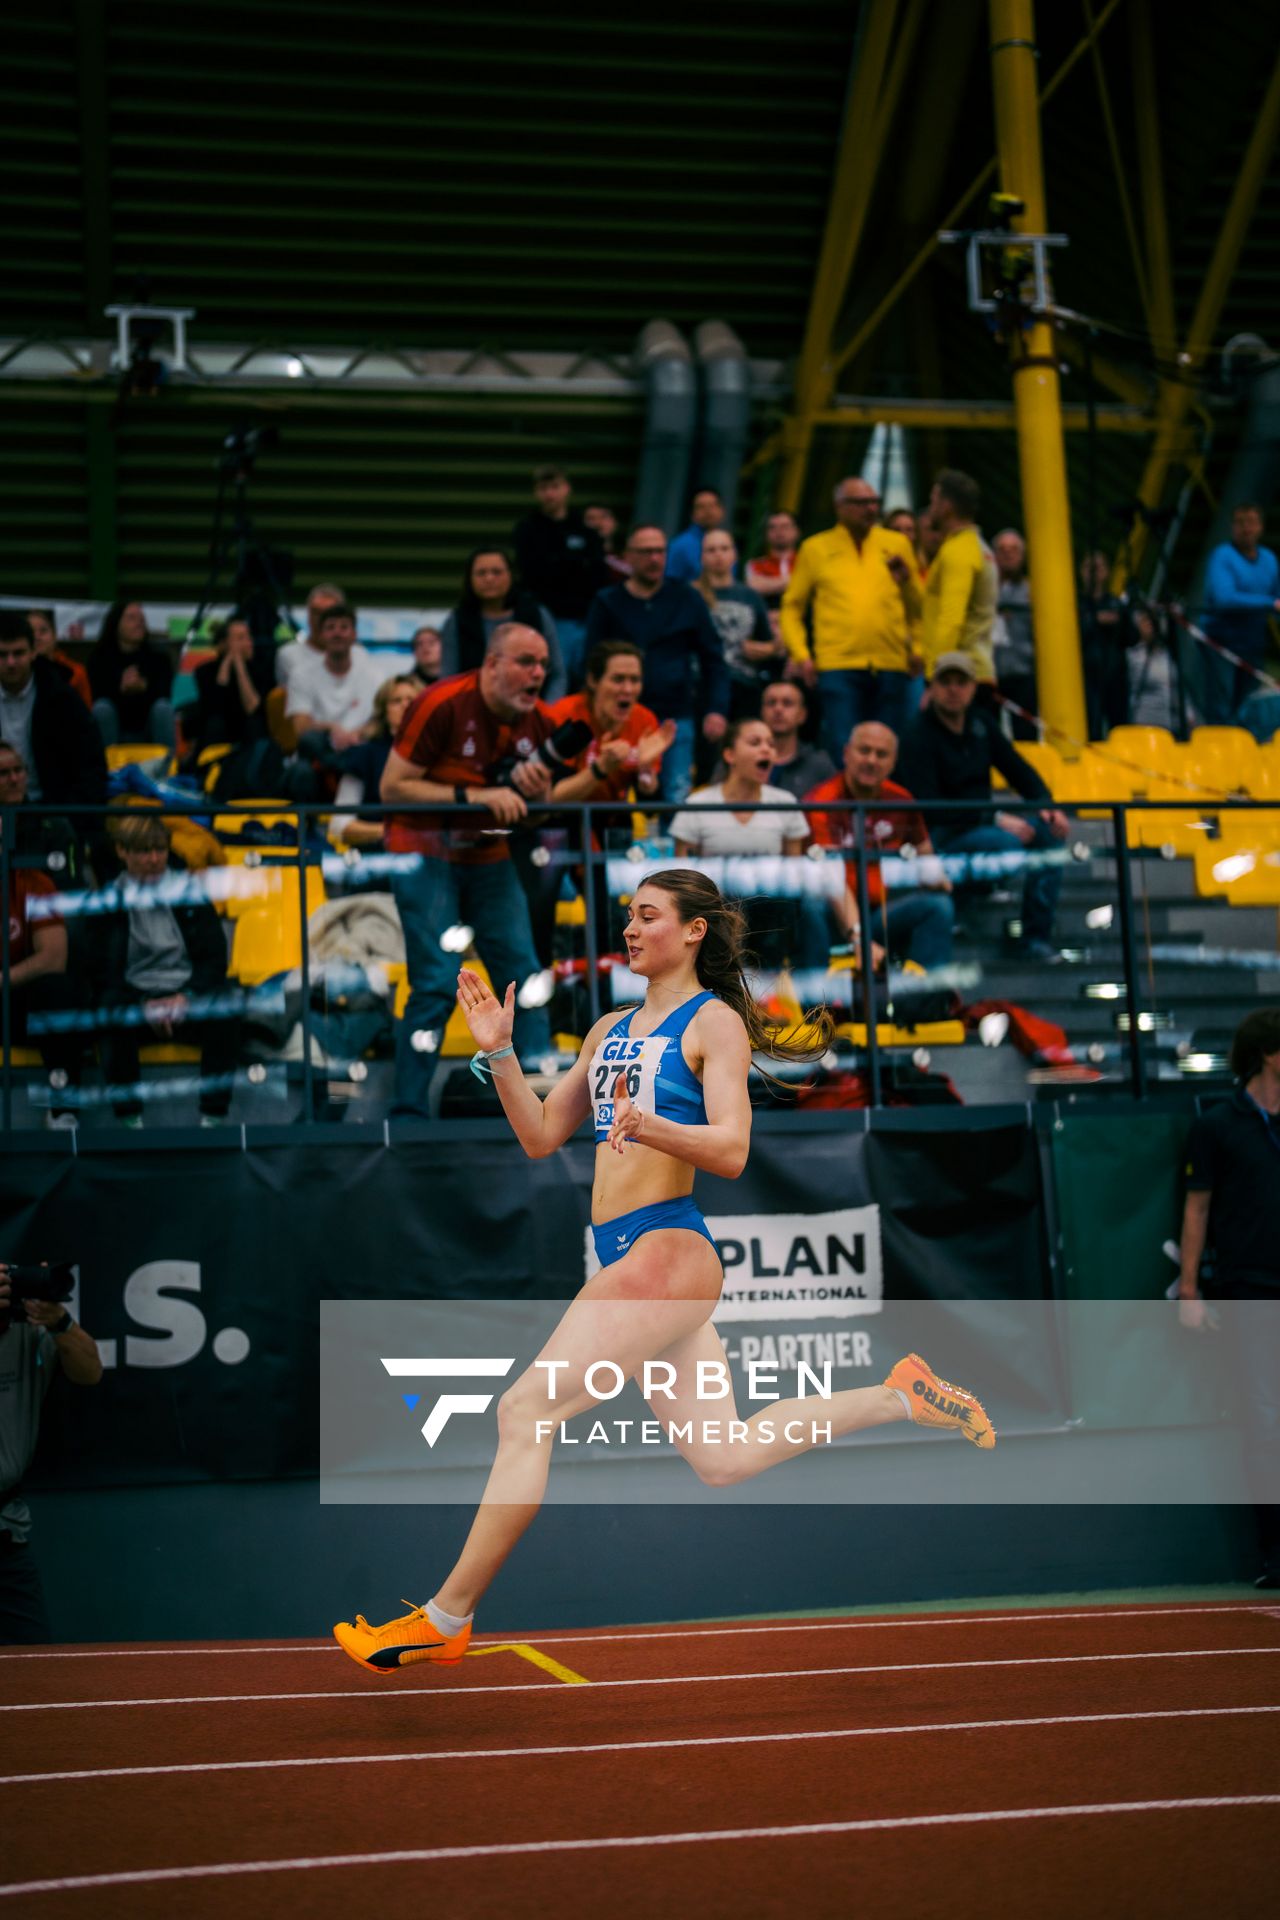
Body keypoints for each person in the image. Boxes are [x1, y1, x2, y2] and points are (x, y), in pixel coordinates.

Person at [332, 867, 995, 1672]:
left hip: (669, 1250)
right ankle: (900, 1393)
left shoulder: (713, 1023)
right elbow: (542, 1135)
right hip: (640, 1256)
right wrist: (501, 1053)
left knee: (524, 1411)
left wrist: (651, 1129)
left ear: (693, 933)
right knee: (724, 1456)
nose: (631, 929)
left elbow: (732, 1147)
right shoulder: (609, 1028)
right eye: (629, 917)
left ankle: (447, 1615)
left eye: (649, 916)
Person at [380, 625, 605, 1117]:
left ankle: (544, 1106)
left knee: (525, 979)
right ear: (491, 664)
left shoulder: (540, 723)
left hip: (488, 854)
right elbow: (392, 788)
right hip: (423, 849)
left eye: (543, 663)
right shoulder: (441, 703)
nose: (538, 673)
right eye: (526, 662)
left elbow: (540, 813)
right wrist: (476, 797)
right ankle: (408, 1111)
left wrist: (535, 791)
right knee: (438, 981)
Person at [1179, 1008, 1280, 1589]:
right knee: (1266, 1421)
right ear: (1268, 1055)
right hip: (1251, 1292)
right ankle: (1275, 1554)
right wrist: (1189, 1289)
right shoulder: (1218, 1126)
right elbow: (1197, 1209)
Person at [897, 652, 1068, 960]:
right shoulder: (916, 734)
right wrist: (993, 817)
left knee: (1050, 833)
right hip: (937, 837)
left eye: (961, 682)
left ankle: (1036, 938)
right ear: (932, 688)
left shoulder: (982, 724)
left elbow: (1019, 770)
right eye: (945, 682)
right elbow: (929, 807)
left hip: (978, 827)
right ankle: (957, 903)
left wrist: (1047, 805)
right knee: (1003, 843)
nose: (953, 690)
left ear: (973, 687)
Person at [84, 813, 241, 1126]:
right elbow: (101, 971)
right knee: (110, 1008)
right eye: (144, 851)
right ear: (122, 852)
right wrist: (144, 1004)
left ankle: (213, 1117)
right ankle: (131, 1121)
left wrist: (187, 996)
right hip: (135, 1001)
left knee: (228, 1004)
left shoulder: (190, 894)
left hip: (187, 998)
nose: (154, 859)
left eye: (160, 850)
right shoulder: (106, 901)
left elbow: (214, 959)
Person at [584, 524, 730, 808]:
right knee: (612, 795)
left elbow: (714, 658)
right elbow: (591, 661)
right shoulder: (607, 601)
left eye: (660, 551)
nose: (654, 558)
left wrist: (716, 708)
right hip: (619, 718)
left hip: (676, 716)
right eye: (645, 551)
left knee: (676, 799)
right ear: (628, 556)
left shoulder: (687, 598)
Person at [671, 717, 829, 971]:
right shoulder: (698, 804)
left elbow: (793, 872)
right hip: (716, 907)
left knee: (808, 906)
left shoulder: (785, 802)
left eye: (770, 743)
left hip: (770, 905)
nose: (766, 749)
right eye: (755, 743)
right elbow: (682, 877)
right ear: (730, 754)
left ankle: (816, 995)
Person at [780, 477, 922, 757]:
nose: (870, 509)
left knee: (887, 747)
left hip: (891, 662)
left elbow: (917, 608)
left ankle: (881, 802)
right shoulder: (815, 548)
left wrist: (917, 648)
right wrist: (801, 654)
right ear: (839, 507)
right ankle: (843, 802)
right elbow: (792, 607)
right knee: (842, 745)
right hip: (837, 664)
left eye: (874, 502)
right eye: (860, 503)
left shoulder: (896, 544)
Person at [0, 1263, 102, 1643]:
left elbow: (90, 1372)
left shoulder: (29, 1333)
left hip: (5, 1531)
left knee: (36, 1669)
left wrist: (58, 1321)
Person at [805, 721, 954, 971]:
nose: (872, 760)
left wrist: (935, 876)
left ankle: (926, 1000)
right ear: (846, 754)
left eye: (881, 754)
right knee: (811, 905)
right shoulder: (822, 801)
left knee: (938, 906)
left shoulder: (902, 800)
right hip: (834, 913)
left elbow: (929, 860)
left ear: (894, 762)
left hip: (882, 913)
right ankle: (818, 1004)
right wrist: (858, 938)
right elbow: (833, 881)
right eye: (864, 751)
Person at [0, 748, 83, 1124]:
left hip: (21, 1000)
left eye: (19, 770)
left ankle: (63, 1112)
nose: (15, 778)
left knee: (59, 990)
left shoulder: (35, 878)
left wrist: (4, 980)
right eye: (5, 773)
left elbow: (54, 957)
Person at [0, 613, 107, 813]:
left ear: (33, 652)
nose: (11, 662)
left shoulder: (63, 697)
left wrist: (67, 817)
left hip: (50, 811)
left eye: (19, 653)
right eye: (2, 655)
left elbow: (91, 767)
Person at [548, 641, 674, 809]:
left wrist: (645, 771)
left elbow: (649, 810)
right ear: (593, 680)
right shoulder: (565, 715)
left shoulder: (644, 721)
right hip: (567, 822)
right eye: (618, 679)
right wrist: (601, 768)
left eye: (635, 680)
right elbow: (552, 800)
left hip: (613, 820)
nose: (628, 689)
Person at [512, 468, 608, 685]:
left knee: (587, 678)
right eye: (544, 488)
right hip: (548, 619)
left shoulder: (585, 530)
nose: (550, 494)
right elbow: (531, 575)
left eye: (555, 487)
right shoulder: (528, 530)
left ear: (567, 489)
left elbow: (597, 573)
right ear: (537, 493)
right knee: (554, 677)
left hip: (584, 618)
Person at [439, 548, 566, 702]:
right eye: (481, 573)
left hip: (531, 710)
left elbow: (557, 674)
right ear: (469, 579)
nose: (489, 578)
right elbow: (448, 678)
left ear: (511, 575)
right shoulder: (457, 621)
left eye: (496, 572)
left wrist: (548, 712)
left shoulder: (536, 615)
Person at [285, 602, 388, 786]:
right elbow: (300, 727)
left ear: (354, 634)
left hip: (359, 749)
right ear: (321, 635)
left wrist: (357, 734)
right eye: (330, 627)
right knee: (305, 756)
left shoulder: (375, 674)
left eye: (344, 627)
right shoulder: (300, 674)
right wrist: (332, 729)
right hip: (317, 755)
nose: (337, 633)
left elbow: (381, 720)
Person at [695, 527, 787, 718]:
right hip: (698, 682)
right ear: (702, 557)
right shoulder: (690, 595)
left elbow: (770, 642)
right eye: (711, 550)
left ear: (734, 554)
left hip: (742, 683)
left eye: (724, 548)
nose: (718, 555)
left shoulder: (750, 596)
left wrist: (765, 650)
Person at [1201, 504, 1280, 724]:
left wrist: (1274, 605)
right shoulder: (1222, 556)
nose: (1246, 528)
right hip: (1221, 644)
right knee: (1221, 707)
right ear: (1232, 527)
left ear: (1261, 527)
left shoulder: (1269, 559)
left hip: (1253, 644)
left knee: (1250, 706)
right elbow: (1224, 598)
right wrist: (1270, 604)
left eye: (1251, 522)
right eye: (1240, 522)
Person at [920, 471, 997, 692]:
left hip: (958, 677)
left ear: (946, 507)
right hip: (975, 671)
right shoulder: (976, 547)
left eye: (933, 500)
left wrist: (934, 676)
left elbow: (951, 619)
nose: (930, 507)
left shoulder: (958, 552)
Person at [332, 676, 421, 849]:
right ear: (384, 711)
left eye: (412, 699)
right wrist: (391, 833)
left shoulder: (441, 755)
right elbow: (339, 825)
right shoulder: (364, 755)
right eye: (396, 701)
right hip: (377, 857)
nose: (405, 705)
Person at [86, 601, 176, 750]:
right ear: (116, 624)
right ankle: (103, 770)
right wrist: (121, 688)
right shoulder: (99, 658)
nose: (139, 623)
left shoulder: (159, 659)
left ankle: (166, 769)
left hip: (148, 729)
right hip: (115, 731)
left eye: (141, 619)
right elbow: (97, 696)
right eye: (131, 618)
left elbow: (165, 694)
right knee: (102, 709)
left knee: (163, 708)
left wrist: (144, 687)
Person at [992, 528, 1038, 738]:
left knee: (1026, 734)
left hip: (1024, 674)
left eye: (1014, 549)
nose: (1008, 553)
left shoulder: (1034, 590)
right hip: (991, 675)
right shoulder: (986, 589)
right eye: (1002, 549)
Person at [759, 679, 835, 800]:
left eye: (787, 703)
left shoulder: (819, 765)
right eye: (771, 703)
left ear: (802, 715)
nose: (778, 709)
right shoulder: (741, 761)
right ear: (761, 712)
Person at [275, 581, 347, 695]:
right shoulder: (288, 655)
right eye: (316, 612)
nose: (320, 620)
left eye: (327, 614)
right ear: (308, 615)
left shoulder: (356, 655)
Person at [26, 609, 91, 708]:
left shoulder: (76, 672)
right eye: (31, 631)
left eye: (43, 631)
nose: (36, 637)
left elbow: (87, 711)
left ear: (54, 636)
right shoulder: (16, 670)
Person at [666, 487, 729, 584]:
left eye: (713, 505)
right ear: (692, 514)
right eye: (701, 507)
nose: (708, 511)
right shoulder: (680, 546)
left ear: (722, 510)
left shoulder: (727, 543)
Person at [746, 510, 802, 605]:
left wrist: (770, 584)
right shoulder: (755, 564)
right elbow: (753, 588)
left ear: (796, 531)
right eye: (772, 527)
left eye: (785, 526)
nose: (779, 531)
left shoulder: (805, 562)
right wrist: (797, 580)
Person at [583, 504, 630, 584]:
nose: (598, 523)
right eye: (591, 518)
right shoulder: (576, 556)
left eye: (604, 517)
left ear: (615, 522)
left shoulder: (628, 556)